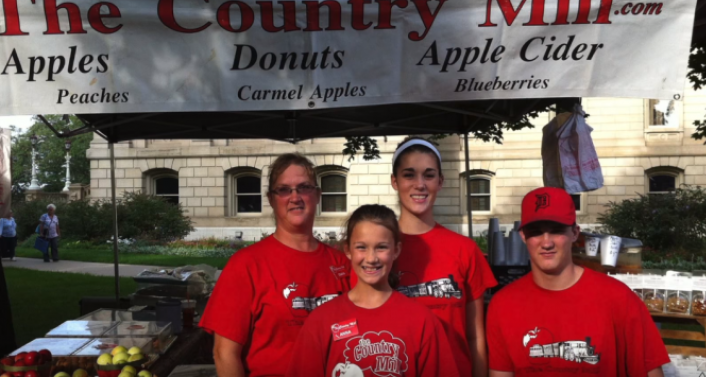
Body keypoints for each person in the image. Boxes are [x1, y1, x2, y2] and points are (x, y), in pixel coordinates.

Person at [486, 187, 670, 377]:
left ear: (575, 233)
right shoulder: (503, 305)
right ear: (523, 236)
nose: (546, 242)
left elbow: (651, 371)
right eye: (536, 232)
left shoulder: (618, 298)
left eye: (557, 231)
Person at [199, 153, 352, 377]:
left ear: (317, 195)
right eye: (284, 190)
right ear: (271, 199)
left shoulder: (341, 264)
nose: (295, 197)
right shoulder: (246, 265)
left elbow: (353, 335)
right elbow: (224, 354)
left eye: (304, 187)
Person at [286, 204, 459, 377]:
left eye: (381, 247)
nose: (371, 258)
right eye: (361, 247)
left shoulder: (422, 321)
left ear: (396, 250)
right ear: (348, 250)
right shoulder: (321, 321)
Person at [389, 137, 497, 377]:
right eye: (409, 175)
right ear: (395, 182)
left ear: (441, 182)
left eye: (428, 175)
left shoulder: (464, 250)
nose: (419, 184)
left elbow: (475, 335)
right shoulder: (377, 251)